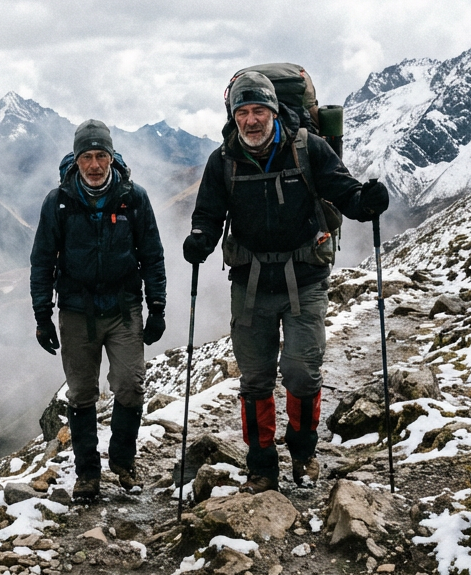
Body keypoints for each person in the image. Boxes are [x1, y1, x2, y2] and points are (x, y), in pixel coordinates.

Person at [183, 71, 388, 493]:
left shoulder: (308, 148)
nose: (251, 120)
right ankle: (261, 466)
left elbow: (344, 193)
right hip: (251, 282)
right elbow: (208, 213)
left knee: (301, 372)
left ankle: (303, 452)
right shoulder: (223, 160)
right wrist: (200, 237)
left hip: (304, 277)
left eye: (259, 110)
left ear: (274, 111)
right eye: (242, 112)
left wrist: (366, 203)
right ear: (233, 116)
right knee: (255, 379)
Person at [30, 119, 167, 501]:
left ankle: (123, 463)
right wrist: (42, 316)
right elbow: (42, 261)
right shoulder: (58, 202)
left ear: (111, 156)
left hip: (124, 308)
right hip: (77, 311)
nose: (94, 165)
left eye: (100, 156)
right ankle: (88, 475)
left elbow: (152, 255)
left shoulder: (133, 198)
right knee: (81, 393)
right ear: (76, 160)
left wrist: (157, 306)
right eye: (87, 157)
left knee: (130, 386)